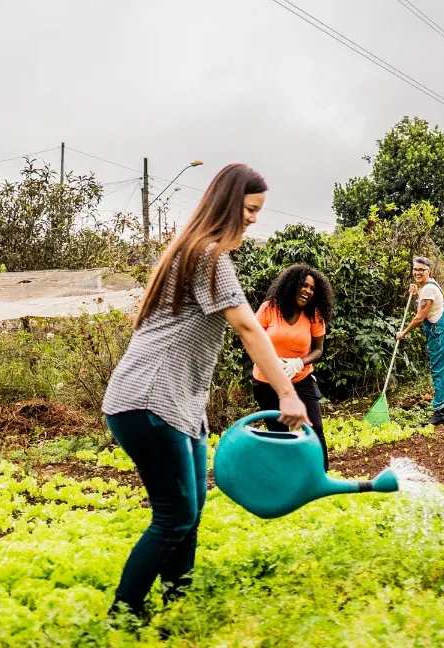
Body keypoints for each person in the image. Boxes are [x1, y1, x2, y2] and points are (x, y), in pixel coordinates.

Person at [100, 163, 308, 619]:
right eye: (250, 209)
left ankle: (178, 606)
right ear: (229, 203)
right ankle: (123, 617)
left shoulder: (196, 253)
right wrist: (287, 394)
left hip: (177, 406)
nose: (254, 219)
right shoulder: (208, 255)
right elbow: (250, 329)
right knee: (173, 517)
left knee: (188, 515)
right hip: (149, 401)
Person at [251, 264, 334, 468]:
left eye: (312, 288)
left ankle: (321, 475)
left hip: (300, 377)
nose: (307, 291)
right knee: (279, 433)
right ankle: (286, 476)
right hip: (266, 380)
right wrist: (271, 360)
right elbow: (252, 339)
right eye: (303, 285)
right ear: (291, 285)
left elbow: (318, 349)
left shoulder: (313, 315)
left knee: (315, 427)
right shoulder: (270, 308)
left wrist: (299, 363)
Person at [396, 257, 444, 426]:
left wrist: (404, 333)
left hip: (440, 334)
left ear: (428, 271)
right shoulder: (430, 286)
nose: (417, 272)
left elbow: (419, 318)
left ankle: (439, 412)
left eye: (421, 270)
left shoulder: (428, 289)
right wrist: (417, 293)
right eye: (415, 269)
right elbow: (428, 304)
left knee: (439, 371)